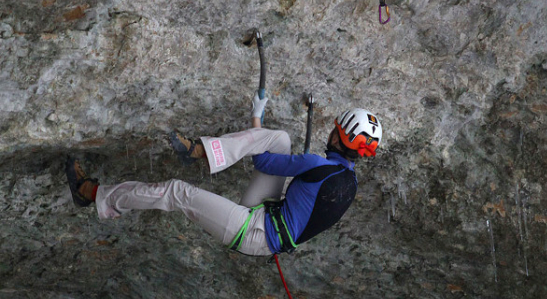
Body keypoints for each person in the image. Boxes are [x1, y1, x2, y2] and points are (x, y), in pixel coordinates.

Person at [65, 93, 382, 257]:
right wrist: (256, 123)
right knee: (282, 139)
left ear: (339, 138)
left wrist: (256, 117)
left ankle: (93, 194)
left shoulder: (317, 165)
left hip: (253, 232)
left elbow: (267, 164)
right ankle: (203, 151)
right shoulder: (349, 183)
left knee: (178, 192)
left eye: (336, 130)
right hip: (267, 217)